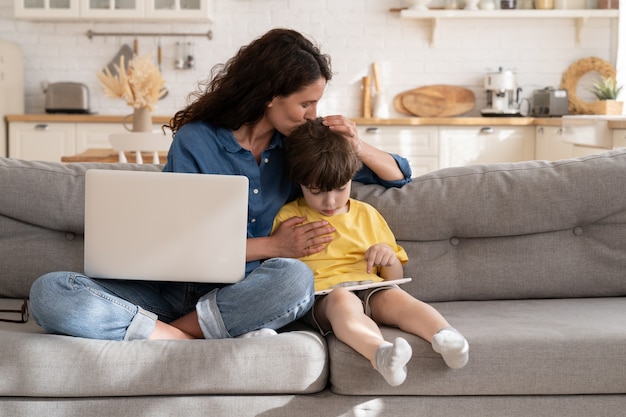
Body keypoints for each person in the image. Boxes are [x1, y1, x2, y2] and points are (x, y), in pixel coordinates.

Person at [29, 28, 412, 342]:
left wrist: (356, 144)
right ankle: (184, 337)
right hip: (168, 290)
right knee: (52, 291)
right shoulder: (197, 140)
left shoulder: (299, 144)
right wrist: (274, 245)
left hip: (243, 294)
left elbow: (397, 175)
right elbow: (180, 240)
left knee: (296, 279)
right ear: (269, 98)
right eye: (306, 104)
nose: (314, 114)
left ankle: (164, 336)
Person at [272, 118, 468, 386]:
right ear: (300, 183)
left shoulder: (367, 214)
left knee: (396, 299)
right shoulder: (289, 217)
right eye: (316, 192)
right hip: (324, 298)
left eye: (340, 189)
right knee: (343, 301)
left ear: (351, 178)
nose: (330, 202)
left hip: (370, 286)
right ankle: (380, 353)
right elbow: (279, 272)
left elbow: (393, 276)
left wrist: (386, 256)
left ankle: (446, 336)